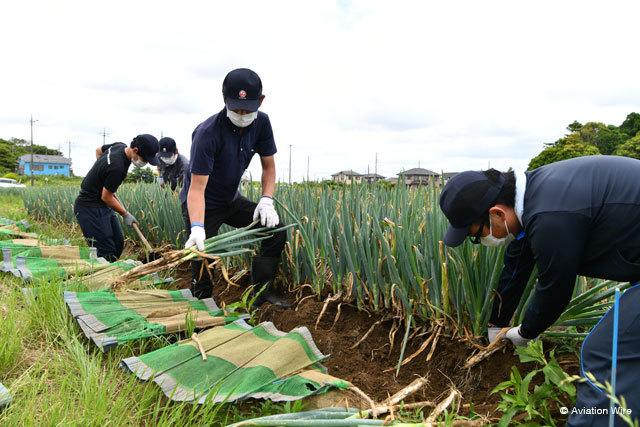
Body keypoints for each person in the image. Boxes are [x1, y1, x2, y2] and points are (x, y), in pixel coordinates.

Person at [439, 155, 640, 426]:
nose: (481, 240)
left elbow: (555, 286)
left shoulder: (551, 216)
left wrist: (525, 332)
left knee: (605, 352)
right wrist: (497, 323)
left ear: (497, 213)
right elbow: (516, 267)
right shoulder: (534, 198)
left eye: (478, 234)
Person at [181, 68, 288, 306]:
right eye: (236, 108)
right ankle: (202, 303)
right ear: (224, 100)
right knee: (201, 254)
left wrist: (266, 199)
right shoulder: (207, 133)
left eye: (248, 109)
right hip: (203, 205)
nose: (242, 114)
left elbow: (268, 167)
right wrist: (197, 227)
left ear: (260, 101)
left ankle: (261, 294)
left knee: (276, 230)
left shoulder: (262, 123)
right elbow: (196, 189)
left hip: (231, 199)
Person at [74, 134, 159, 262]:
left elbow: (98, 150)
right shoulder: (117, 168)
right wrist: (125, 214)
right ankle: (101, 278)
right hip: (89, 206)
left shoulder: (120, 146)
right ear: (135, 150)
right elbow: (107, 197)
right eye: (145, 159)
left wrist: (102, 176)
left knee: (118, 243)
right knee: (106, 251)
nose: (145, 163)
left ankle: (109, 269)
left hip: (102, 205)